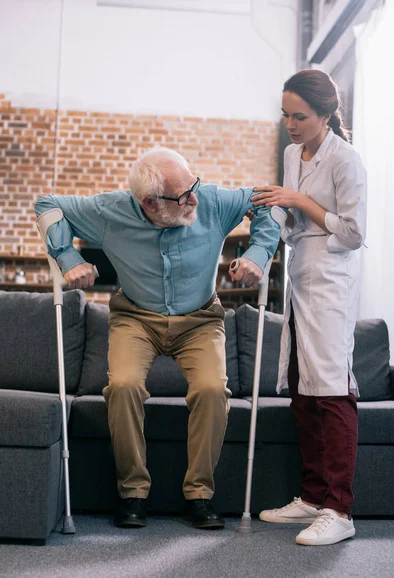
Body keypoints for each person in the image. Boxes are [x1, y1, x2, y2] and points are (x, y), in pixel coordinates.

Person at [35, 147, 280, 530]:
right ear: (149, 202)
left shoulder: (211, 200)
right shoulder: (109, 211)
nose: (193, 199)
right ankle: (133, 492)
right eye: (182, 196)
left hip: (200, 320)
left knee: (212, 390)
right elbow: (47, 204)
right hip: (136, 319)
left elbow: (267, 202)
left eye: (192, 186)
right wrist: (69, 258)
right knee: (124, 386)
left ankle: (200, 495)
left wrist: (260, 253)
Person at [252, 69, 367, 545]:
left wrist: (300, 200)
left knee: (331, 391)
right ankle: (313, 497)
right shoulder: (290, 153)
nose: (290, 125)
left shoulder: (347, 159)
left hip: (332, 280)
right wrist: (269, 212)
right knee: (302, 391)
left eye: (300, 116)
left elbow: (355, 234)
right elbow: (287, 213)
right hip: (299, 276)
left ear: (325, 115)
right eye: (285, 115)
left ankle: (340, 510)